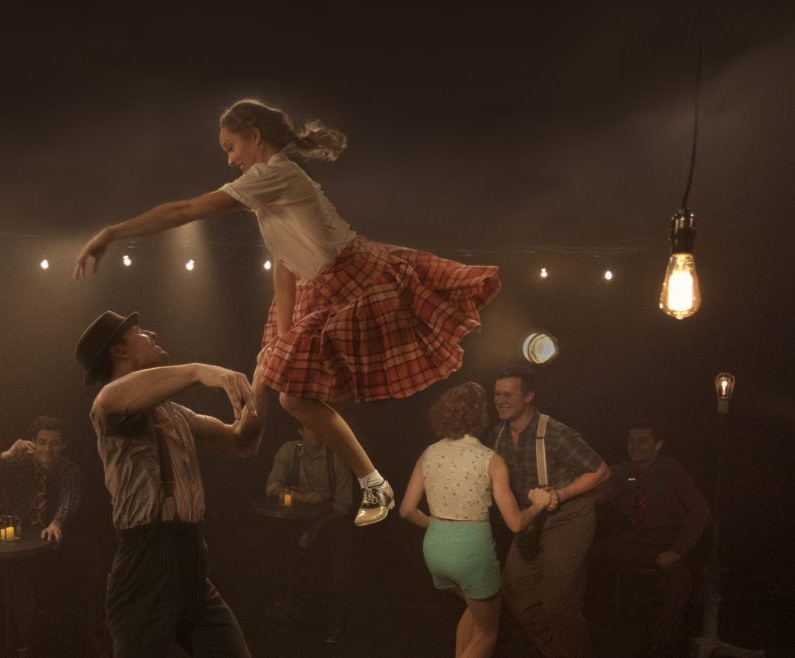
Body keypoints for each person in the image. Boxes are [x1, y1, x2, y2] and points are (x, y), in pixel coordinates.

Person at [74, 99, 501, 526]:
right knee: (292, 394)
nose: (230, 159)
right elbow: (283, 266)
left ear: (254, 137)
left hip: (350, 275)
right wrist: (282, 339)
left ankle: (372, 482)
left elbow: (186, 210)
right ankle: (374, 482)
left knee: (298, 394)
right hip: (315, 287)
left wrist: (113, 232)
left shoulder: (274, 174)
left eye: (231, 147)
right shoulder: (267, 192)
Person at [77, 310, 267, 658]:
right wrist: (198, 370)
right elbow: (111, 399)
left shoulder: (176, 413)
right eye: (140, 332)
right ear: (120, 351)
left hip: (191, 560)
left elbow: (242, 442)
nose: (151, 332)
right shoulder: (109, 402)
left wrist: (265, 378)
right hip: (146, 565)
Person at [399, 382, 552, 658]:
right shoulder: (490, 460)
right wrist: (538, 504)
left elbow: (407, 510)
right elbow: (516, 523)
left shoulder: (429, 453)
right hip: (471, 552)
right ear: (481, 416)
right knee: (487, 631)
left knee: (474, 610)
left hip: (435, 548)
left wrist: (437, 526)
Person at [491, 365, 609, 658]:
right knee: (515, 593)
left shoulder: (553, 433)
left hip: (567, 518)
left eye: (508, 394)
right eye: (496, 394)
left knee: (557, 601)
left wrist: (559, 494)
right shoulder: (497, 436)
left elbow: (600, 471)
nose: (500, 400)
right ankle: (556, 652)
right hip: (531, 520)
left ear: (528, 396)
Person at [0, 416, 105, 656]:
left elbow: (70, 496)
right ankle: (25, 641)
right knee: (23, 578)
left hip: (49, 534)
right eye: (42, 442)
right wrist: (6, 456)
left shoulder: (68, 467)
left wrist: (57, 522)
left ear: (64, 445)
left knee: (91, 556)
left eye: (55, 443)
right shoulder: (19, 463)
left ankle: (90, 629)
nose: (48, 449)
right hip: (17, 538)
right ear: (32, 443)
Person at [592, 420, 709, 657]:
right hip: (636, 539)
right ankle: (600, 637)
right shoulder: (623, 471)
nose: (635, 446)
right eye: (631, 441)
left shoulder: (670, 469)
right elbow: (600, 495)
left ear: (658, 444)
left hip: (668, 540)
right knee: (592, 557)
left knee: (679, 580)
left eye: (643, 441)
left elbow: (700, 510)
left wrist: (677, 550)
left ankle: (664, 647)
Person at [264, 424, 356, 644]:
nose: (317, 431)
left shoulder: (337, 455)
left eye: (319, 424)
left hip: (330, 519)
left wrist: (314, 530)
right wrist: (300, 497)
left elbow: (343, 505)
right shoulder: (289, 451)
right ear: (301, 431)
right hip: (296, 519)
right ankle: (284, 613)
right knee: (270, 549)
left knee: (340, 563)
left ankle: (338, 623)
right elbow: (271, 487)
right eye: (310, 426)